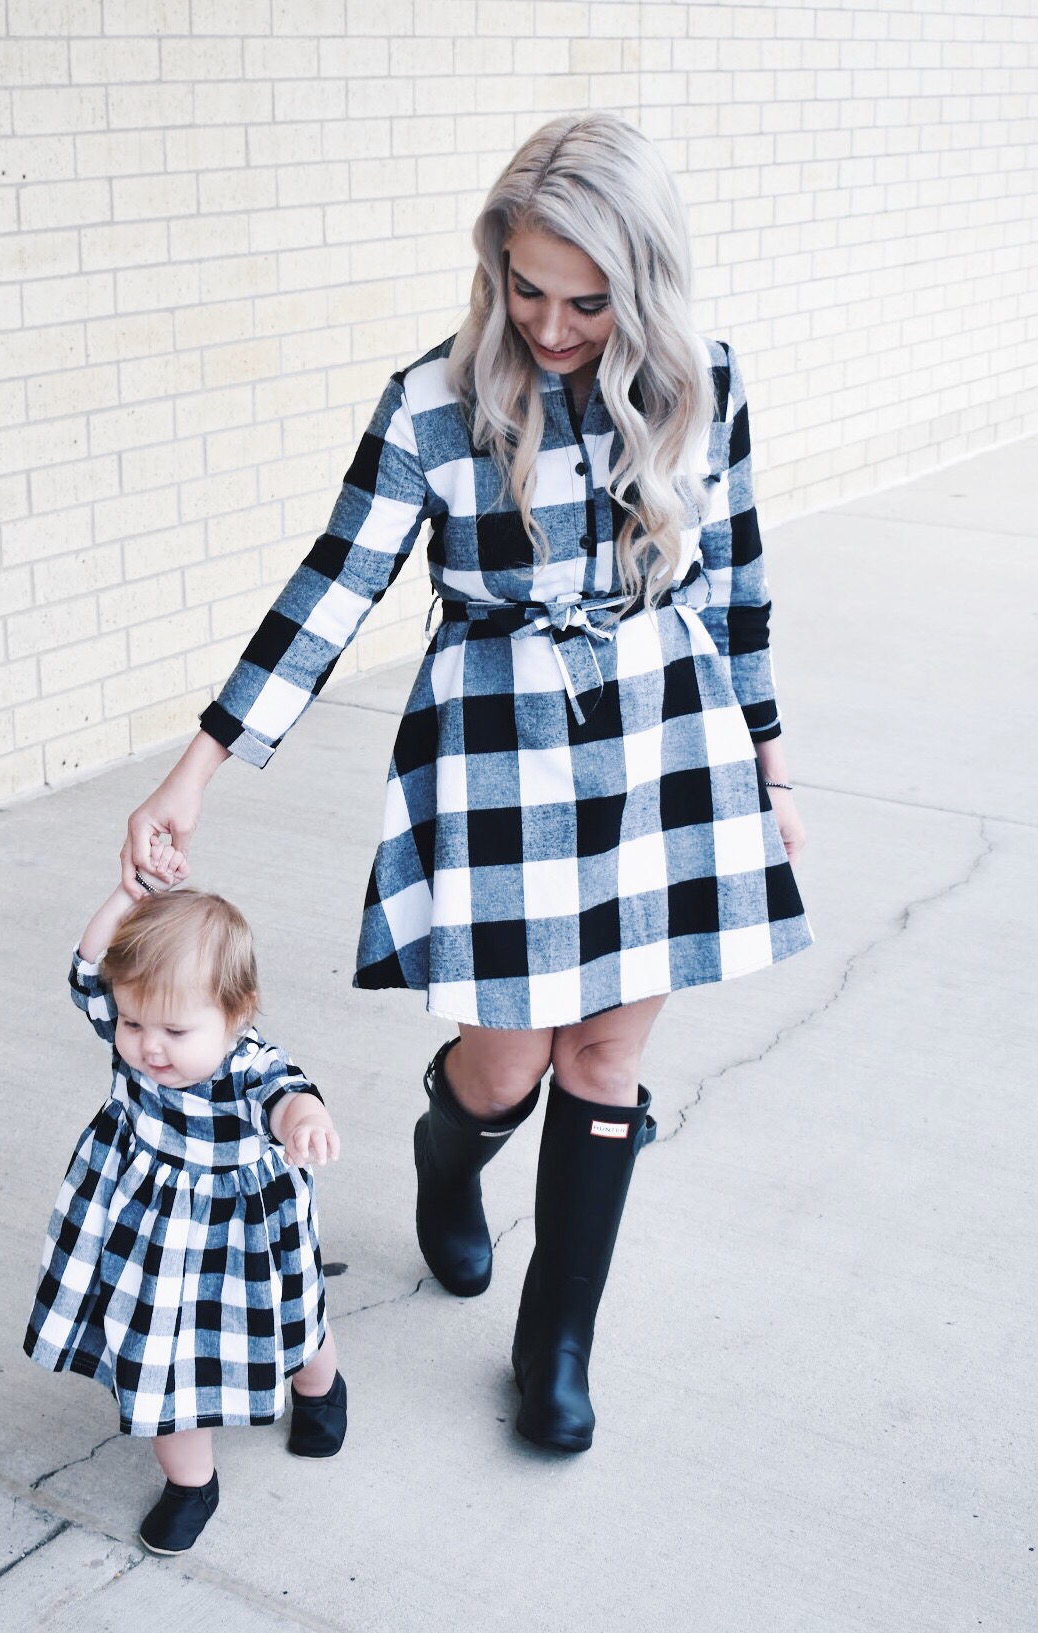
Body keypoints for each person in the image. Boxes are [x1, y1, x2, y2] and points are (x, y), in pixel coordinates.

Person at [120, 113, 812, 1455]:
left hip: (666, 731)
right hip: (497, 747)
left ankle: (555, 1347)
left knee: (604, 1058)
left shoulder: (701, 383)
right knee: (508, 1065)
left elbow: (734, 584)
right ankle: (453, 1150)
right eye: (524, 286)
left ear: (644, 289)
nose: (549, 326)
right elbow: (331, 589)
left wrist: (770, 766)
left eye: (586, 301)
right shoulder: (433, 401)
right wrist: (196, 766)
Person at [24, 865, 345, 1554]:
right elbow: (88, 970)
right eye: (134, 1020)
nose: (148, 1045)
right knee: (163, 1361)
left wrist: (303, 1119)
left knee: (291, 1321)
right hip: (148, 1232)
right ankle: (191, 1482)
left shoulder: (245, 1063)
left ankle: (320, 1386)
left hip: (239, 1233)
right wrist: (126, 898)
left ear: (239, 1012)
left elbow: (287, 1091)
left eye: (174, 1028)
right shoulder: (133, 1031)